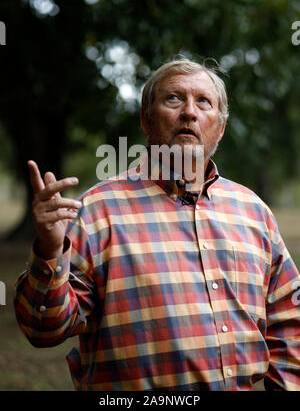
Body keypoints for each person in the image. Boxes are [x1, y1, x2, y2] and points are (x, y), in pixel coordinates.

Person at [14, 58, 300, 391]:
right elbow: (43, 330)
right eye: (174, 99)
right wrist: (50, 250)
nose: (190, 112)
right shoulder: (97, 212)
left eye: (204, 102)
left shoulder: (254, 213)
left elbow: (289, 323)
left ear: (219, 128)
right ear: (146, 119)